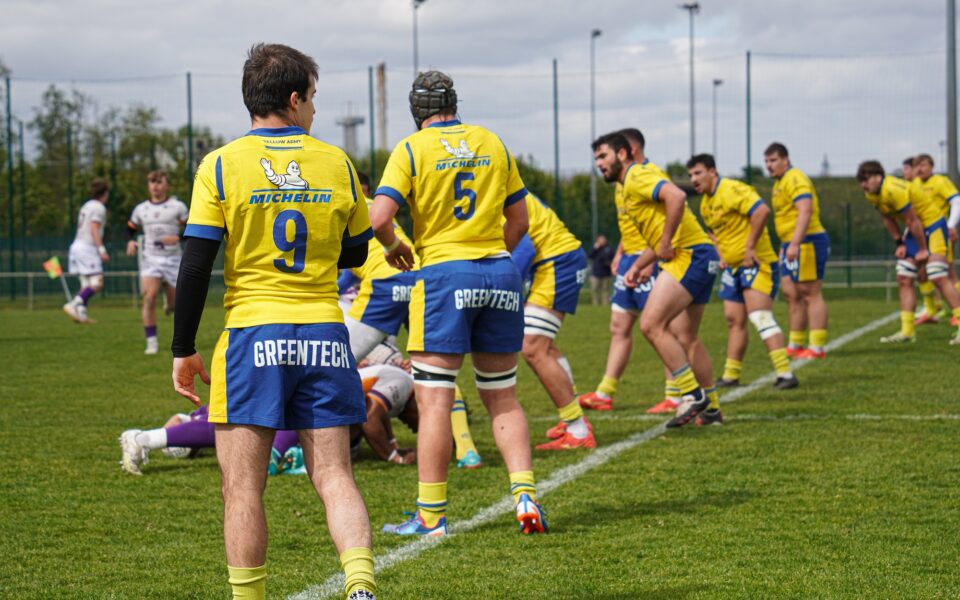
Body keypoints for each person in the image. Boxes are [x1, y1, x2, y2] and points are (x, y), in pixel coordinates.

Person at [169, 43, 376, 600]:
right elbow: (356, 253)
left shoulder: (219, 164)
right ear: (291, 98)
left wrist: (182, 346)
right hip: (325, 335)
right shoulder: (336, 162)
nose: (314, 111)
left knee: (242, 488)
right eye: (312, 98)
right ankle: (359, 582)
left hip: (252, 334)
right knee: (334, 477)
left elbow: (194, 267)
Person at [370, 70, 546, 536]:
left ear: (416, 113)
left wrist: (392, 247)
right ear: (454, 103)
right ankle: (525, 495)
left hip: (445, 277)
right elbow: (521, 218)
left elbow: (379, 216)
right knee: (502, 395)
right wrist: (494, 253)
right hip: (500, 273)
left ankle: (431, 516)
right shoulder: (491, 140)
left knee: (434, 403)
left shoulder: (411, 149)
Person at [593, 132, 723, 428]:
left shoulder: (636, 175)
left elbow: (677, 197)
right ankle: (712, 410)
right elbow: (662, 231)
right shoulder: (631, 183)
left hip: (689, 256)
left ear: (624, 154)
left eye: (603, 156)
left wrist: (664, 244)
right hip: (700, 254)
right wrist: (641, 264)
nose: (599, 164)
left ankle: (691, 394)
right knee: (687, 337)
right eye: (596, 158)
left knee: (651, 324)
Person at [576, 128, 680, 415]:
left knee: (661, 327)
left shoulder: (648, 173)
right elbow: (634, 221)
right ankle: (604, 393)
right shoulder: (621, 182)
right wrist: (621, 253)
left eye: (605, 154)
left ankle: (674, 393)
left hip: (649, 259)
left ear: (629, 150)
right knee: (619, 327)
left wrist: (653, 258)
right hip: (629, 261)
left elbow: (664, 217)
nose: (601, 163)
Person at [687, 154, 798, 390]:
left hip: (757, 263)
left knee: (760, 316)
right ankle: (731, 375)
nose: (693, 179)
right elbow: (713, 232)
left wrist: (749, 248)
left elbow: (761, 211)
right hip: (734, 268)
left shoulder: (732, 189)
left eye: (697, 173)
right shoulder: (706, 203)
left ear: (712, 172)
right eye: (690, 175)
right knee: (733, 320)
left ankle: (785, 373)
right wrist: (721, 253)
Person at [517, 194, 594, 451]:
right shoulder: (496, 178)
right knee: (543, 346)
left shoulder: (487, 186)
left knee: (532, 346)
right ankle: (571, 417)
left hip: (555, 262)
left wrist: (504, 286)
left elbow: (524, 246)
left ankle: (577, 428)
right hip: (559, 258)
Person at [855, 160, 960, 345]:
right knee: (904, 277)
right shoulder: (871, 194)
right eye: (861, 181)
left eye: (866, 180)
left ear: (878, 177)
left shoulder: (893, 189)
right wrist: (899, 243)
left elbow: (912, 220)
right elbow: (887, 218)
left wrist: (922, 250)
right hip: (915, 230)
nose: (863, 184)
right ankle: (907, 331)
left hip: (932, 225)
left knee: (937, 275)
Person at [764, 143, 830, 359]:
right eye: (766, 161)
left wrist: (794, 243)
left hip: (807, 241)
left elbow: (805, 210)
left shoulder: (795, 178)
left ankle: (817, 347)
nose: (769, 165)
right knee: (792, 294)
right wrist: (786, 244)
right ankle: (795, 343)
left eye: (773, 160)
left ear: (786, 159)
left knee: (810, 294)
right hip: (790, 244)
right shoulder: (779, 183)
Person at [126, 170, 189, 354]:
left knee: (175, 305)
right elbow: (129, 228)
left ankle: (168, 304)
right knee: (149, 297)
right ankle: (151, 342)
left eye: (160, 182)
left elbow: (192, 227)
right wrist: (129, 240)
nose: (156, 186)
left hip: (172, 259)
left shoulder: (177, 207)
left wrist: (177, 237)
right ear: (148, 186)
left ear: (167, 185)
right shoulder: (141, 209)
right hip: (150, 259)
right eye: (152, 182)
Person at [913, 154, 960, 325]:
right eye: (917, 165)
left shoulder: (940, 181)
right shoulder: (915, 184)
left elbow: (956, 201)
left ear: (931, 167)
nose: (920, 168)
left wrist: (951, 225)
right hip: (920, 234)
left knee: (947, 272)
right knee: (923, 272)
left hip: (938, 232)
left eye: (924, 164)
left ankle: (957, 311)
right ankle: (933, 308)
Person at [63, 179, 110, 324]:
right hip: (87, 248)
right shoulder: (99, 208)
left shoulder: (86, 205)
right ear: (105, 193)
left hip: (76, 246)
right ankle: (74, 304)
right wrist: (101, 249)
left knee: (85, 284)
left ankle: (81, 315)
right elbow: (94, 228)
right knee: (97, 282)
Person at [588, 235, 614, 305]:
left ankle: (605, 303)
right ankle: (595, 303)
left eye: (603, 240)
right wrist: (595, 248)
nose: (602, 241)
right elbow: (590, 255)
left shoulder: (609, 249)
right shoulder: (595, 249)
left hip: (606, 273)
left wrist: (609, 263)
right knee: (595, 290)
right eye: (601, 240)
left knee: (605, 290)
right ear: (597, 241)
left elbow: (613, 258)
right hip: (595, 273)